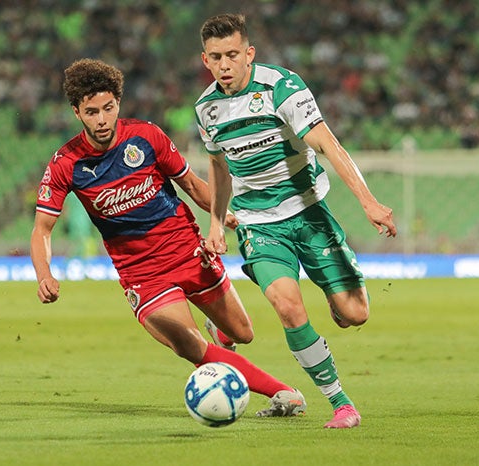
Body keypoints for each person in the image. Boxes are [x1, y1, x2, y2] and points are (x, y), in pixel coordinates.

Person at [30, 58, 307, 417]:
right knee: (191, 346)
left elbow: (192, 185)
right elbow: (42, 230)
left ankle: (223, 341)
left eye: (108, 108)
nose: (101, 119)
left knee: (243, 333)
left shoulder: (147, 137)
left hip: (187, 250)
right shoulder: (66, 162)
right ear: (77, 112)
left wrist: (227, 218)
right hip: (142, 272)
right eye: (92, 111)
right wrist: (44, 274)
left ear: (118, 103)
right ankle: (285, 393)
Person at [195, 14, 398, 429]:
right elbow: (218, 168)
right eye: (217, 57)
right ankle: (341, 403)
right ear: (206, 61)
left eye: (233, 54)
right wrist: (215, 223)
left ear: (248, 54)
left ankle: (333, 295)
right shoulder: (206, 109)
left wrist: (369, 202)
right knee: (287, 305)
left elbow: (327, 143)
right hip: (258, 223)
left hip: (309, 214)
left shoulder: (281, 87)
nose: (226, 64)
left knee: (355, 314)